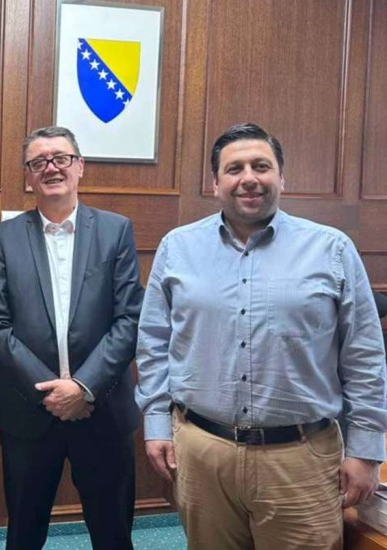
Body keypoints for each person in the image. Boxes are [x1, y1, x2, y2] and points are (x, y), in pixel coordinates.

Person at [136, 123, 387, 550]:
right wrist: (156, 421)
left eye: (261, 166)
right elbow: (153, 343)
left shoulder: (332, 249)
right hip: (202, 454)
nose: (249, 178)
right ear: (216, 183)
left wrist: (365, 449)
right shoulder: (178, 247)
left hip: (301, 459)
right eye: (234, 168)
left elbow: (363, 354)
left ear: (281, 178)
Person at [0, 126, 144, 549]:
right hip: (29, 413)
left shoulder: (115, 230)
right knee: (23, 535)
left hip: (103, 409)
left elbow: (129, 319)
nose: (51, 168)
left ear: (80, 166)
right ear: (28, 176)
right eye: (38, 162)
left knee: (113, 535)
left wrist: (83, 387)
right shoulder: (6, 237)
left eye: (61, 158)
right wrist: (53, 391)